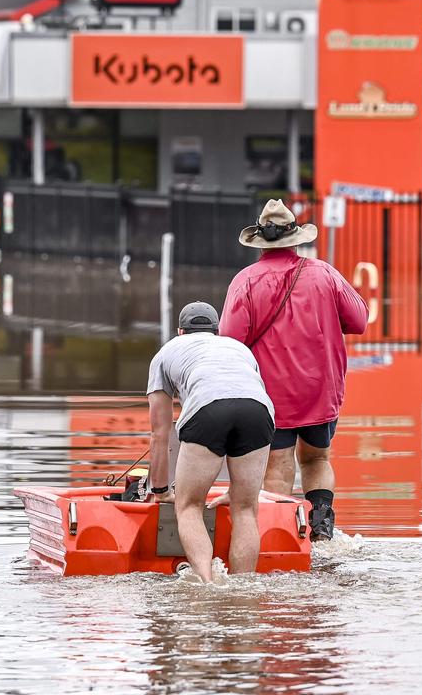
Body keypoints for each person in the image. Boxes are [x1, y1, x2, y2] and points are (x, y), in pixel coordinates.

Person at [220, 199, 368, 540]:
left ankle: (283, 535)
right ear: (296, 238)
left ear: (259, 241)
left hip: (272, 394)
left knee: (277, 464)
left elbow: (229, 343)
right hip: (321, 388)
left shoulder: (245, 282)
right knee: (317, 459)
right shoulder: (324, 273)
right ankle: (321, 526)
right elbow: (359, 320)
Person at [146, 301, 276, 583]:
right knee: (245, 508)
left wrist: (160, 489)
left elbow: (159, 433)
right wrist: (240, 490)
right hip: (259, 411)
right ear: (217, 331)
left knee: (189, 506)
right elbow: (242, 397)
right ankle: (243, 588)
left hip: (207, 409)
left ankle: (206, 584)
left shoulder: (166, 352)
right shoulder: (238, 348)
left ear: (180, 331)